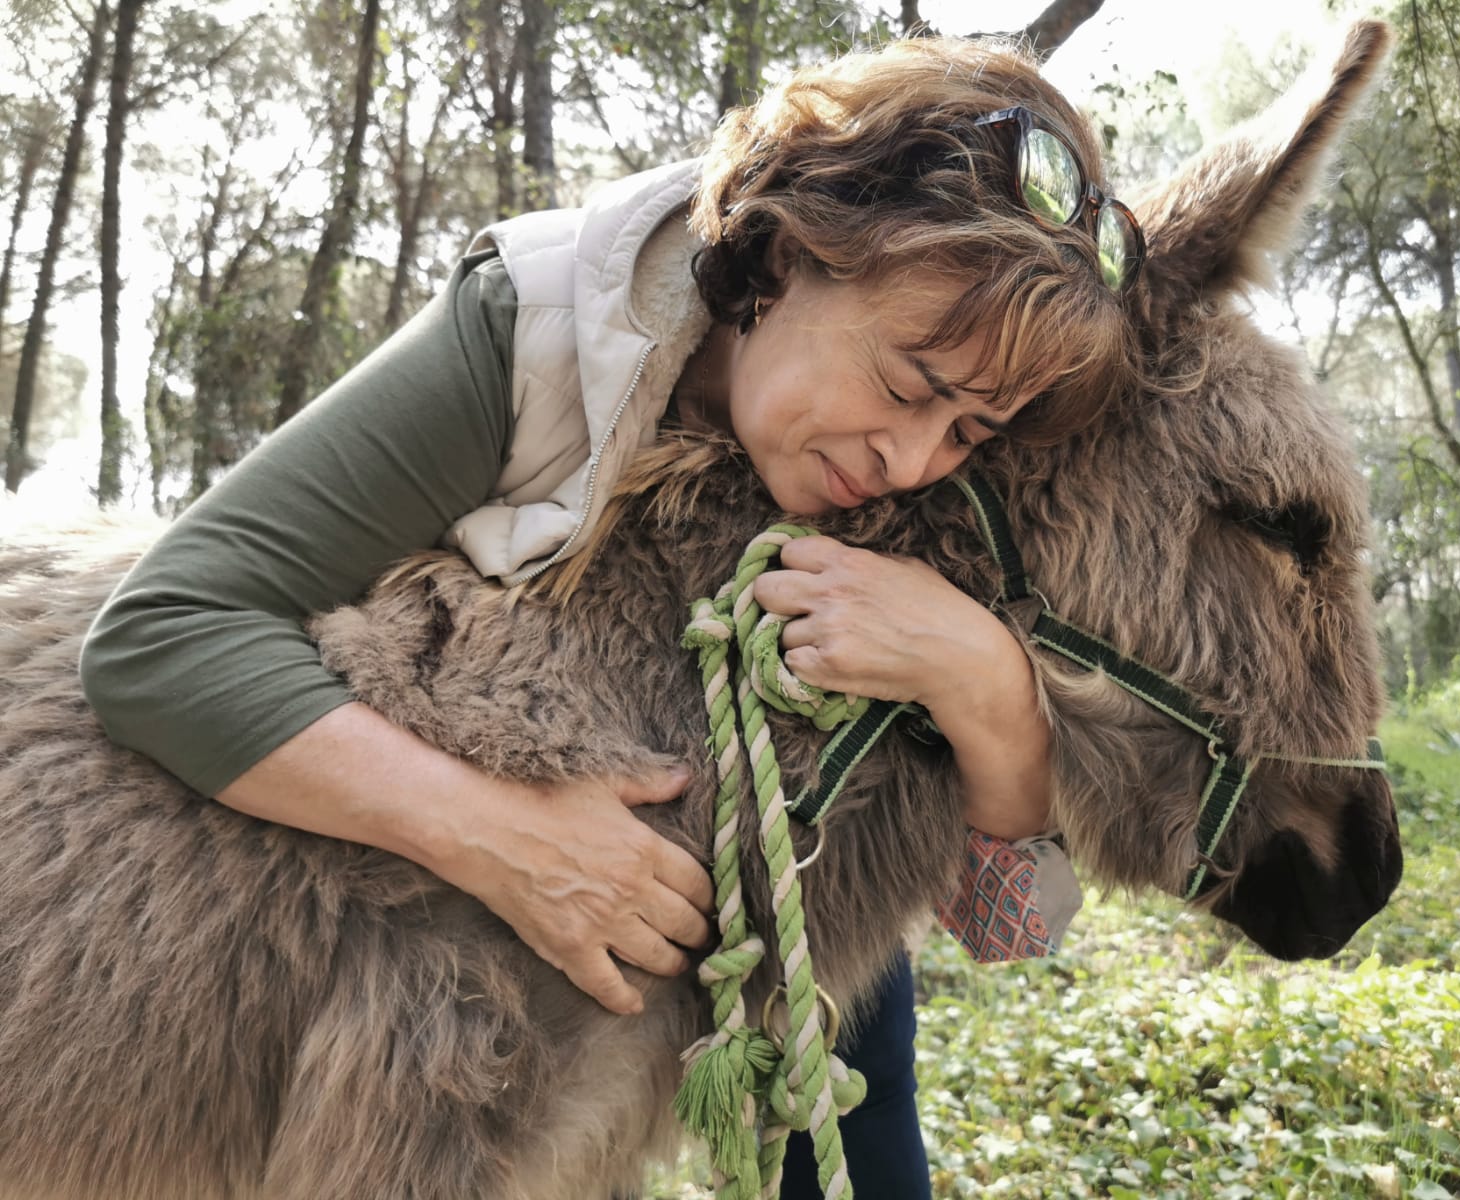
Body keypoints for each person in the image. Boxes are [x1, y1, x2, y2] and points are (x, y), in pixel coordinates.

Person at [79, 34, 1141, 1199]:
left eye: (970, 434)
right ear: (787, 254)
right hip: (459, 958)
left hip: (796, 925)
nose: (912, 459)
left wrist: (983, 683)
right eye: (906, 388)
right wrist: (505, 836)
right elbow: (164, 635)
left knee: (856, 1062)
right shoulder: (537, 327)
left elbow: (1004, 928)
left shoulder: (931, 485)